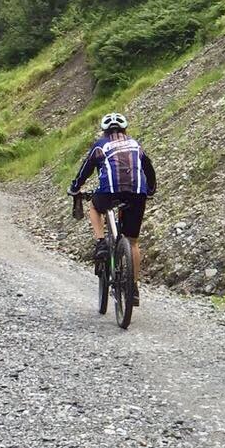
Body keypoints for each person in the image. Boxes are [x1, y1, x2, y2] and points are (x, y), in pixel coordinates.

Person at [68, 112, 157, 304]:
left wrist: (75, 188)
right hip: (137, 192)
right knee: (132, 242)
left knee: (94, 206)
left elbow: (85, 169)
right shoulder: (135, 144)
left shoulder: (101, 145)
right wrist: (150, 190)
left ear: (104, 131)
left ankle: (101, 242)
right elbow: (148, 168)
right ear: (125, 129)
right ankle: (133, 288)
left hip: (109, 191)